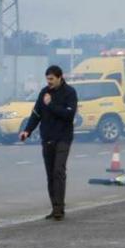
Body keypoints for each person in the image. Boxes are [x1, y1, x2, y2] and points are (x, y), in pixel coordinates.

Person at [20, 65, 78, 221]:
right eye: (47, 79)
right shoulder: (44, 93)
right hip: (47, 138)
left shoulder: (70, 93)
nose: (49, 82)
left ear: (60, 77)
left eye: (52, 79)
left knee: (59, 171)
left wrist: (51, 105)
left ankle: (59, 209)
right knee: (50, 174)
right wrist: (27, 130)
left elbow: (69, 115)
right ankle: (54, 207)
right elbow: (36, 114)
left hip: (63, 138)